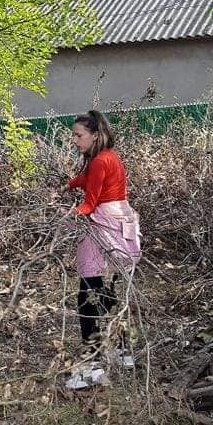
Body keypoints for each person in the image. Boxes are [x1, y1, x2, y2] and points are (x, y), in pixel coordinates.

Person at [53, 110, 141, 391]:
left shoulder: (100, 161)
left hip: (103, 227)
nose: (75, 140)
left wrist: (62, 219)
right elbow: (88, 180)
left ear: (95, 135)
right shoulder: (108, 157)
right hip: (121, 225)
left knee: (88, 296)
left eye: (79, 135)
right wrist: (69, 185)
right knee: (112, 292)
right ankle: (122, 351)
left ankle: (92, 367)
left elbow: (89, 204)